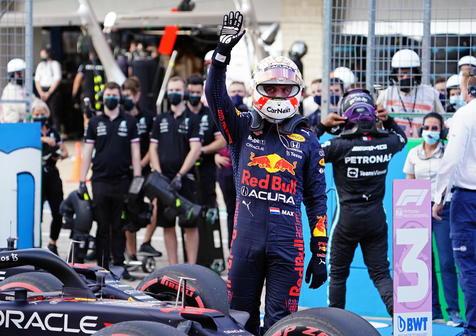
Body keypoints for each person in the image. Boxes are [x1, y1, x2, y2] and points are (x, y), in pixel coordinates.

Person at [205, 11, 328, 334]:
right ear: (257, 89)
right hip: (245, 241)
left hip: (289, 245)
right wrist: (221, 57)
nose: (277, 96)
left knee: (280, 324)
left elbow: (317, 201)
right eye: (270, 89)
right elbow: (214, 98)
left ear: (296, 92)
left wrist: (321, 251)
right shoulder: (242, 127)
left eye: (284, 90)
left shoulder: (308, 138)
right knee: (237, 321)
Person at [316, 89, 407, 316]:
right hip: (376, 218)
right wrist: (390, 120)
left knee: (337, 273)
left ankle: (334, 324)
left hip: (346, 219)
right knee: (381, 274)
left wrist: (322, 127)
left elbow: (303, 150)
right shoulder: (387, 142)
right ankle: (402, 320)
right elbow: (402, 139)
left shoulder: (337, 145)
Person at [403, 112, 463, 327]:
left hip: (443, 210)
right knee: (422, 262)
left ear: (442, 131)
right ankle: (434, 311)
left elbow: (453, 180)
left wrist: (438, 201)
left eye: (435, 128)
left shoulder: (448, 153)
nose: (430, 131)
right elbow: (409, 183)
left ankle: (453, 312)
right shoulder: (413, 154)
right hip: (418, 211)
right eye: (427, 127)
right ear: (421, 130)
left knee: (447, 262)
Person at [80, 81, 141, 279]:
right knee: (102, 225)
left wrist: (138, 180)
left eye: (115, 95)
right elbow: (87, 153)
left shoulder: (130, 122)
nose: (111, 98)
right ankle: (101, 267)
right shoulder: (95, 122)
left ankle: (119, 265)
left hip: (123, 180)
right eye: (108, 94)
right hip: (99, 180)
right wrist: (82, 180)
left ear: (120, 98)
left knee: (119, 226)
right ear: (103, 97)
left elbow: (136, 152)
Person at [433, 69, 476, 336]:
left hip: (468, 197)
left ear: (467, 90)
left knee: (469, 268)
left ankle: (473, 329)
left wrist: (439, 197)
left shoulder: (464, 115)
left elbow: (450, 160)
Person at [149, 76, 202, 265]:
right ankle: (172, 266)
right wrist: (157, 173)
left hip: (185, 179)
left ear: (184, 93)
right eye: (171, 90)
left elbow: (196, 149)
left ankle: (191, 266)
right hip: (164, 182)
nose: (174, 94)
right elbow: (153, 148)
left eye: (177, 90)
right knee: (167, 224)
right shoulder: (160, 119)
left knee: (190, 225)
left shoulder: (193, 119)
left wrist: (180, 174)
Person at [121, 76, 162, 259]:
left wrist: (142, 163)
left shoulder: (148, 116)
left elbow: (153, 144)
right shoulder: (120, 116)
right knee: (129, 210)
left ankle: (146, 242)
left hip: (144, 170)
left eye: (129, 95)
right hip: (125, 172)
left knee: (157, 201)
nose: (126, 99)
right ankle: (131, 253)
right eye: (125, 95)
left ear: (137, 96)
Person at [376, 49, 444, 138]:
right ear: (395, 75)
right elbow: (377, 119)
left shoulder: (430, 93)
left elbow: (442, 118)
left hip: (423, 141)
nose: (405, 78)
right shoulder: (387, 94)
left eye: (409, 74)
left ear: (416, 74)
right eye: (401, 75)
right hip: (394, 141)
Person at [31, 99, 68, 255]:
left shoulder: (53, 131)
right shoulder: (30, 131)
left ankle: (53, 243)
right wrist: (43, 140)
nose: (40, 116)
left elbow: (65, 152)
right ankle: (34, 245)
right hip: (36, 175)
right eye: (37, 114)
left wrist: (58, 153)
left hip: (52, 173)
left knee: (58, 211)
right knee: (35, 213)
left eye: (42, 113)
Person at [185, 74, 226, 208]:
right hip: (184, 169)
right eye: (191, 92)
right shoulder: (181, 114)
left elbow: (221, 141)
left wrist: (201, 150)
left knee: (207, 209)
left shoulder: (210, 114)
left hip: (206, 169)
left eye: (198, 92)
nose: (194, 95)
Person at [34, 48, 62, 131]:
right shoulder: (40, 65)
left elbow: (57, 79)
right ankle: (43, 131)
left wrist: (48, 93)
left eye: (43, 54)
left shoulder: (55, 64)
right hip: (42, 91)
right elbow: (37, 80)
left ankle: (56, 133)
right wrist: (41, 93)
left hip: (52, 91)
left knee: (54, 113)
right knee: (42, 112)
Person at [0, 58, 27, 123]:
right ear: (12, 75)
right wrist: (33, 109)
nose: (22, 75)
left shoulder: (23, 88)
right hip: (11, 123)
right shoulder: (10, 89)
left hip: (22, 121)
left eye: (23, 73)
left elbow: (34, 100)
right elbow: (21, 108)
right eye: (19, 73)